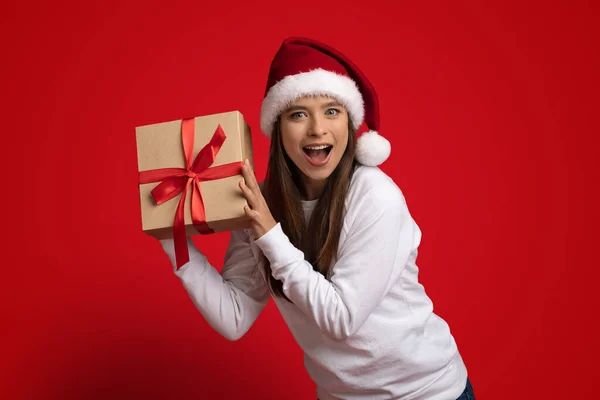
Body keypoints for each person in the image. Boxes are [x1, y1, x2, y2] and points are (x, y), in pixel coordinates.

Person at [158, 37, 475, 400]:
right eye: (298, 114)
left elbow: (341, 319)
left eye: (332, 111)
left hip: (426, 393)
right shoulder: (262, 202)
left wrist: (269, 233)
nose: (317, 129)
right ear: (278, 128)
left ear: (349, 123)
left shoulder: (375, 196)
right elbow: (234, 317)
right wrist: (174, 241)